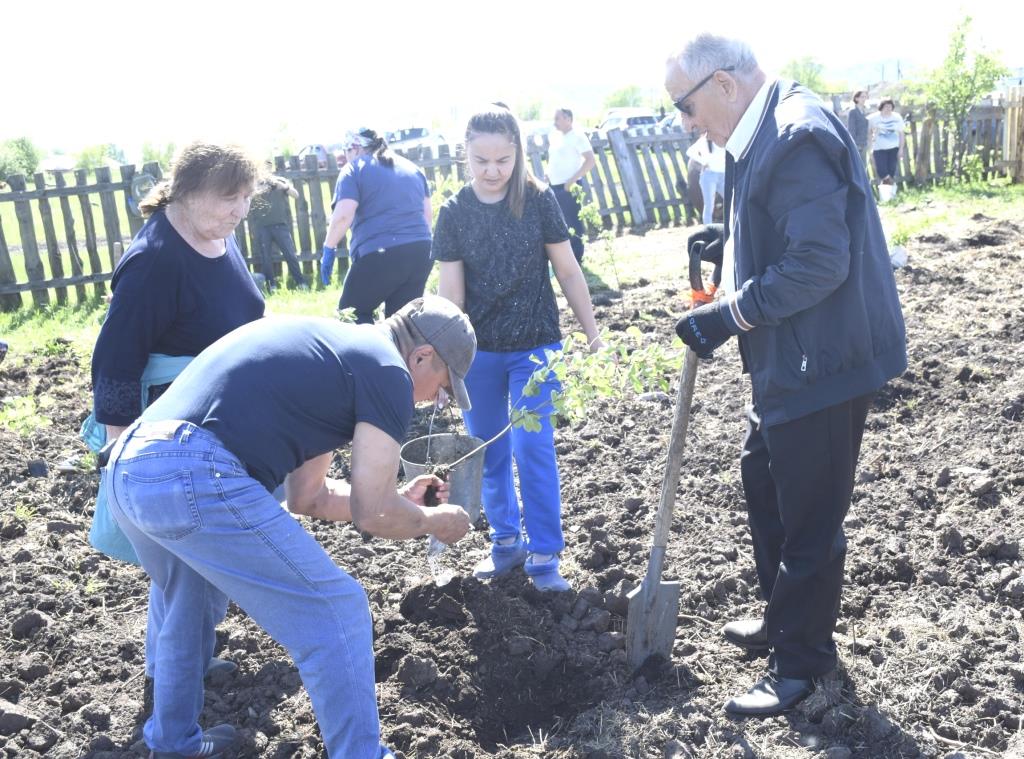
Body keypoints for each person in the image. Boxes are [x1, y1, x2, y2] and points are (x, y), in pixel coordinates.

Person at [103, 295, 476, 758]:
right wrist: (433, 521)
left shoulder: (338, 351)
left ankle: (173, 743)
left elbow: (309, 497)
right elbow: (372, 513)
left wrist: (403, 502)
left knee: (189, 596)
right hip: (190, 469)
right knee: (336, 609)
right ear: (421, 356)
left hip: (130, 466)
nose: (438, 399)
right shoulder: (388, 371)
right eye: (443, 383)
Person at [664, 34, 906, 716]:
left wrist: (728, 315)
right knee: (763, 479)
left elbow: (819, 264)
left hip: (822, 358)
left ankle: (801, 662)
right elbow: (783, 232)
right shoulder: (758, 129)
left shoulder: (795, 136)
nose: (685, 122)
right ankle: (783, 620)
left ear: (723, 85)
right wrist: (735, 247)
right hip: (790, 353)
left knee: (808, 515)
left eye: (685, 105)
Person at [85, 141, 266, 690]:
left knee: (207, 554)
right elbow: (114, 356)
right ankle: (171, 671)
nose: (239, 212)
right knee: (187, 558)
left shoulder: (217, 234)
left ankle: (188, 657)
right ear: (187, 193)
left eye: (246, 199)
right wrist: (120, 446)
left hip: (217, 417)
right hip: (172, 425)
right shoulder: (155, 260)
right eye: (229, 199)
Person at [433, 105, 604, 593]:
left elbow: (568, 271)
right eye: (481, 160)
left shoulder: (537, 200)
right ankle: (506, 542)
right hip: (479, 353)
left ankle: (546, 553)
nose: (492, 171)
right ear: (464, 155)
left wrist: (592, 333)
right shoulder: (454, 213)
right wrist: (449, 362)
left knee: (533, 445)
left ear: (518, 154)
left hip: (535, 346)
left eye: (502, 160)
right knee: (488, 450)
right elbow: (452, 297)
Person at [321, 128, 433, 323]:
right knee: (402, 324)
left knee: (351, 316)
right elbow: (427, 216)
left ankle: (363, 352)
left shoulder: (354, 169)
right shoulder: (412, 168)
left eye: (347, 152)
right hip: (421, 251)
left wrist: (328, 249)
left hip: (380, 252)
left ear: (354, 148)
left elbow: (343, 216)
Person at [547, 108, 596, 262]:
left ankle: (577, 257)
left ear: (568, 118)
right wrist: (547, 174)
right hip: (554, 186)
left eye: (558, 118)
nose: (555, 122)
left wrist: (572, 180)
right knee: (560, 222)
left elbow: (590, 161)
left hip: (569, 186)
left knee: (573, 221)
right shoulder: (556, 137)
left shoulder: (577, 136)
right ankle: (566, 257)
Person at [248, 174, 310, 291]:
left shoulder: (279, 181)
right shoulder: (253, 184)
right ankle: (272, 286)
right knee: (265, 258)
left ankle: (301, 283)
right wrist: (256, 188)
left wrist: (284, 187)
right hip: (262, 227)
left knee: (290, 255)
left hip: (280, 226)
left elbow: (296, 195)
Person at [685, 131, 726, 224]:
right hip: (709, 176)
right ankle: (708, 227)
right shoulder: (703, 140)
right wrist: (703, 162)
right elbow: (690, 152)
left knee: (732, 199)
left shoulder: (721, 139)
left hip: (722, 175)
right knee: (709, 204)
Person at [869, 98, 906, 184]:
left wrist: (901, 149)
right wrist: (870, 147)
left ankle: (888, 192)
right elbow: (869, 132)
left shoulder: (897, 117)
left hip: (893, 148)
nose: (888, 109)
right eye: (886, 106)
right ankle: (888, 187)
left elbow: (901, 134)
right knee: (882, 170)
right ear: (881, 107)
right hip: (878, 148)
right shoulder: (873, 118)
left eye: (890, 107)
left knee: (892, 169)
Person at [847, 90, 870, 169]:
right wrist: (855, 144)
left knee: (864, 166)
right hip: (857, 144)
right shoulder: (853, 111)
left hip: (864, 143)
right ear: (856, 98)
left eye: (865, 97)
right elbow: (851, 129)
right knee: (857, 166)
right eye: (862, 97)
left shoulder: (864, 111)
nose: (864, 99)